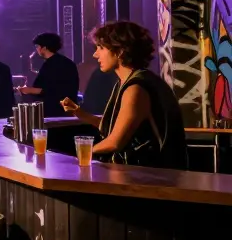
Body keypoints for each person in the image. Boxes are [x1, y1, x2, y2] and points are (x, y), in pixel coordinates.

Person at [62, 21, 188, 169]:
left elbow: (115, 141)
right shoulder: (129, 81)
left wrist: (79, 155)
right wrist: (79, 113)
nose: (95, 54)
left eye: (101, 48)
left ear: (120, 51)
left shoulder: (136, 88)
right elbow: (119, 124)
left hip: (151, 179)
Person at [19, 32, 80, 110]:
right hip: (66, 108)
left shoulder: (54, 64)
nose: (36, 50)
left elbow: (52, 90)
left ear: (44, 48)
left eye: (37, 47)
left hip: (56, 110)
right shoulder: (65, 62)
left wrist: (28, 90)